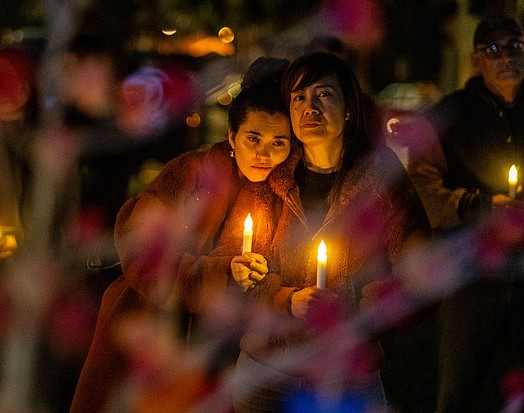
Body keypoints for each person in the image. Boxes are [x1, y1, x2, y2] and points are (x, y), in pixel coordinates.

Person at [69, 56, 292, 413]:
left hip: (222, 348)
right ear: (232, 136)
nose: (265, 153)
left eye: (279, 142)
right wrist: (216, 273)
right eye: (254, 138)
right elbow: (139, 246)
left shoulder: (283, 192)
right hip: (152, 327)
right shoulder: (193, 172)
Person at [230, 51, 434, 413]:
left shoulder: (380, 181)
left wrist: (355, 300)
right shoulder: (272, 178)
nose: (310, 107)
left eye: (324, 94)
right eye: (299, 97)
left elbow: (421, 270)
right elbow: (237, 266)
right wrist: (284, 298)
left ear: (350, 109)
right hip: (266, 366)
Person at [406, 14, 524, 412]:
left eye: (514, 47)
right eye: (493, 49)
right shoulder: (449, 115)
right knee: (459, 386)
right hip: (471, 267)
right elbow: (424, 185)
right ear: (476, 59)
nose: (505, 57)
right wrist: (479, 205)